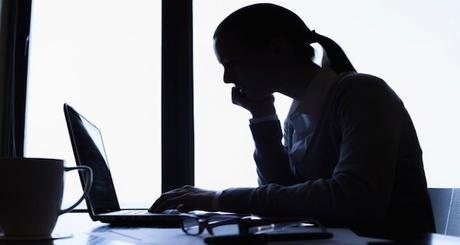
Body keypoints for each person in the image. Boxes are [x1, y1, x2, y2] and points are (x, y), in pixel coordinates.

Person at [149, 3, 435, 237]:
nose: (227, 79)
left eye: (231, 63)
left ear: (277, 49)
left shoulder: (362, 93)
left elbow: (354, 200)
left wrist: (218, 198)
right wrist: (262, 117)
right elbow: (285, 197)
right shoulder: (299, 113)